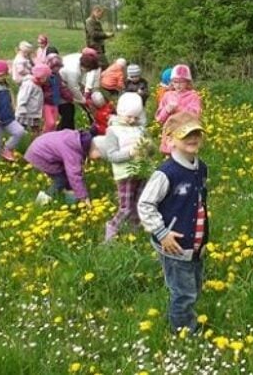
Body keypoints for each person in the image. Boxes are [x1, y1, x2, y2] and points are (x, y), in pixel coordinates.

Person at [137, 112, 208, 333]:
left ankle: (186, 320)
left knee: (193, 287)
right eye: (186, 134)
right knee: (183, 292)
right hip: (174, 244)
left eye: (196, 133)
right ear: (170, 140)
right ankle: (183, 331)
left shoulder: (201, 167)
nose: (193, 138)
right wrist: (162, 233)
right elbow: (145, 204)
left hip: (193, 244)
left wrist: (203, 238)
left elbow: (198, 205)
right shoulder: (166, 173)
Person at [96, 93, 152, 241]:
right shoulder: (113, 131)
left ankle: (135, 231)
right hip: (124, 173)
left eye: (136, 117)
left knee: (139, 203)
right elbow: (112, 155)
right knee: (126, 207)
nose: (132, 120)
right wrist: (130, 153)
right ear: (120, 112)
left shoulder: (140, 129)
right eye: (129, 117)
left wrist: (148, 147)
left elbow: (151, 149)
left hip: (142, 170)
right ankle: (112, 227)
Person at [24, 129, 106, 206]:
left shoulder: (75, 139)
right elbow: (74, 175)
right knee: (61, 180)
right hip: (40, 155)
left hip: (40, 146)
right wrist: (84, 197)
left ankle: (71, 202)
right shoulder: (72, 153)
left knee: (67, 178)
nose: (98, 159)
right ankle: (41, 202)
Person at [156, 64, 202, 154]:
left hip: (186, 133)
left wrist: (178, 109)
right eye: (175, 82)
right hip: (170, 132)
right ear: (171, 82)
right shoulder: (167, 95)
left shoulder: (193, 96)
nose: (178, 85)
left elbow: (195, 116)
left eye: (181, 82)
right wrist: (167, 110)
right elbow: (159, 119)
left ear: (188, 82)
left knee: (185, 155)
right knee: (171, 157)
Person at [59, 49, 102, 130]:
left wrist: (82, 88)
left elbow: (79, 82)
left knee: (69, 111)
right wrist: (83, 100)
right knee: (67, 111)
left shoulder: (80, 58)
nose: (89, 72)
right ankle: (65, 132)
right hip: (58, 84)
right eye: (89, 70)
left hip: (64, 82)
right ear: (86, 67)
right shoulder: (73, 71)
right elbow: (73, 88)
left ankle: (64, 129)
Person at [42, 54, 74, 133]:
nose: (59, 69)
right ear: (52, 66)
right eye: (58, 67)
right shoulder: (45, 77)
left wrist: (69, 97)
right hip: (47, 103)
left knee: (54, 123)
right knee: (50, 123)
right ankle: (45, 137)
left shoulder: (57, 75)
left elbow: (61, 88)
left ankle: (52, 137)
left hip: (55, 102)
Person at [16, 63, 51, 135]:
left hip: (34, 112)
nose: (47, 80)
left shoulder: (38, 84)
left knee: (36, 129)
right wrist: (22, 107)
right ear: (41, 77)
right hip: (25, 112)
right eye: (46, 78)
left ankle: (35, 143)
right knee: (20, 130)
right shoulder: (29, 84)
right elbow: (22, 96)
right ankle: (16, 143)